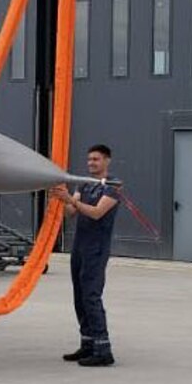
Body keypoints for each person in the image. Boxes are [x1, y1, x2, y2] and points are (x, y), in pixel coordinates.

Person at [51, 143, 120, 367]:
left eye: (96, 159)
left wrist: (71, 200)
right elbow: (72, 212)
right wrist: (61, 199)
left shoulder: (112, 187)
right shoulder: (85, 184)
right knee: (79, 297)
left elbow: (97, 213)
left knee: (91, 296)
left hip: (96, 249)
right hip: (80, 247)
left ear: (107, 161)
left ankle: (103, 349)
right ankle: (88, 343)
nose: (91, 163)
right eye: (89, 159)